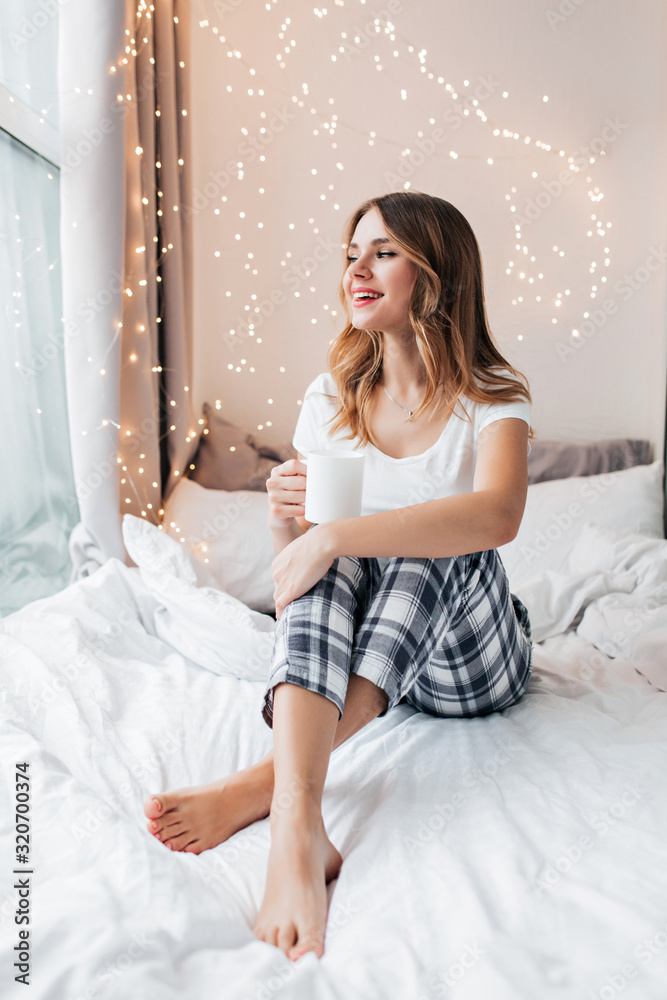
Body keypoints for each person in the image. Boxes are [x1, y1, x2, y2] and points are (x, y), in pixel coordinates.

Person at [144, 190, 534, 965]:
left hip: (472, 664)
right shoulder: (331, 397)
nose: (355, 268)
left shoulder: (493, 396)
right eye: (351, 252)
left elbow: (495, 518)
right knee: (330, 564)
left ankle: (260, 786)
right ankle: (295, 823)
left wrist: (337, 539)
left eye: (382, 251)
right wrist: (288, 520)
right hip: (385, 670)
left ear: (437, 270)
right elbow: (301, 560)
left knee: (439, 547)